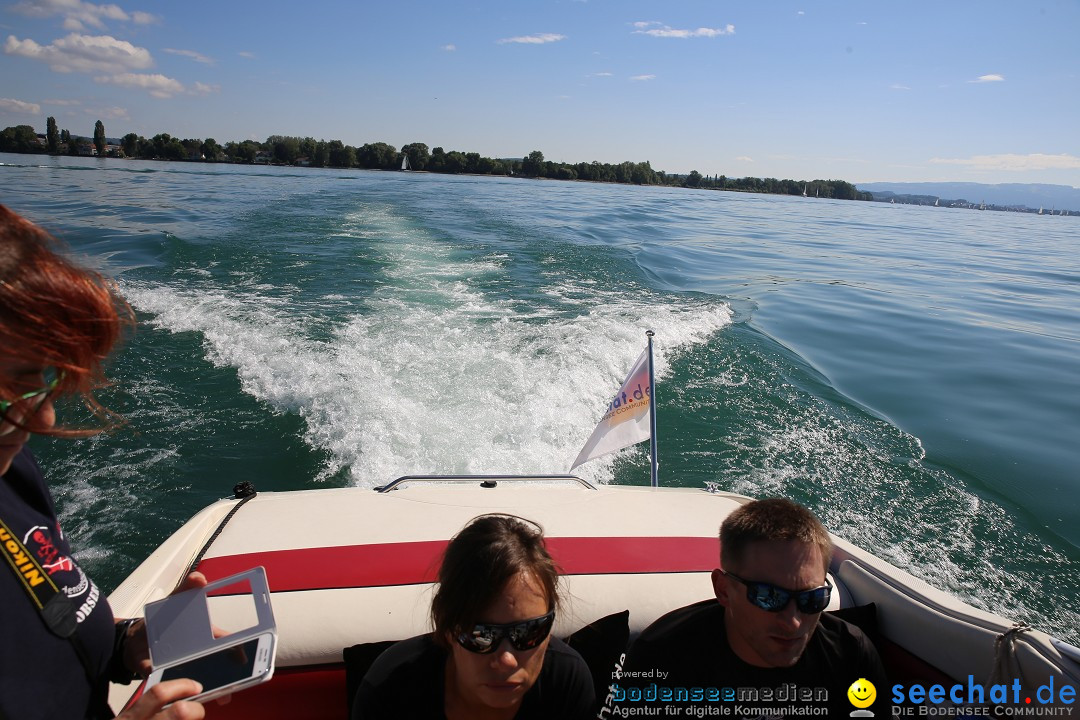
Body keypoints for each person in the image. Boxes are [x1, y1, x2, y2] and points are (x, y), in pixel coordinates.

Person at [0, 204, 208, 720]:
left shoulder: (12, 476)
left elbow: (47, 628)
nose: (43, 420)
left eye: (42, 378)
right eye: (8, 389)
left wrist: (127, 645)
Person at [620, 497, 887, 717]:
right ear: (724, 590)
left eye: (812, 599)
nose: (793, 621)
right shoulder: (661, 659)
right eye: (769, 597)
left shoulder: (850, 653)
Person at [353, 514, 596, 720]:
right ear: (446, 626)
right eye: (481, 635)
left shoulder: (566, 683)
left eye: (530, 631)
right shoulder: (390, 693)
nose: (507, 660)